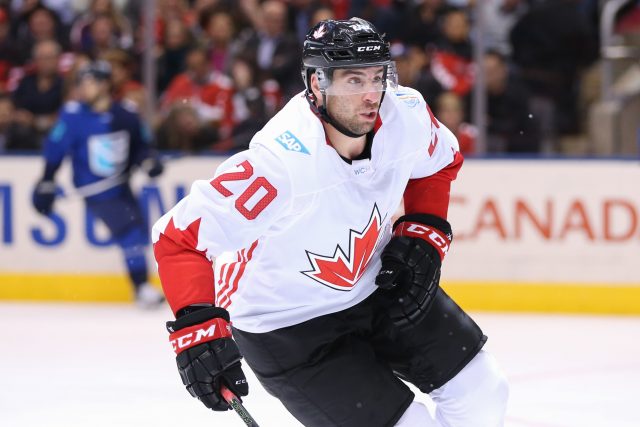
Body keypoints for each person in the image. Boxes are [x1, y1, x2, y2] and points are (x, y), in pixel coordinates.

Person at [153, 18, 508, 426]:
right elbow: (177, 238)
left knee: (484, 392)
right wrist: (197, 330)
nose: (372, 95)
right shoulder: (279, 163)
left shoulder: (405, 113)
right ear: (317, 85)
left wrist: (424, 231)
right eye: (353, 81)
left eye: (378, 77)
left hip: (377, 286)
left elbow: (439, 163)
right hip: (288, 328)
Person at [32, 60, 165, 308]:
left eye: (89, 82)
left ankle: (141, 287)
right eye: (81, 83)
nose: (84, 88)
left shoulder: (126, 114)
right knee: (131, 232)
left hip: (120, 186)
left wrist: (149, 160)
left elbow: (142, 146)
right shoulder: (73, 116)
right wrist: (47, 179)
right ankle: (141, 287)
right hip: (96, 190)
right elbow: (55, 149)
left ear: (104, 84)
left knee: (137, 232)